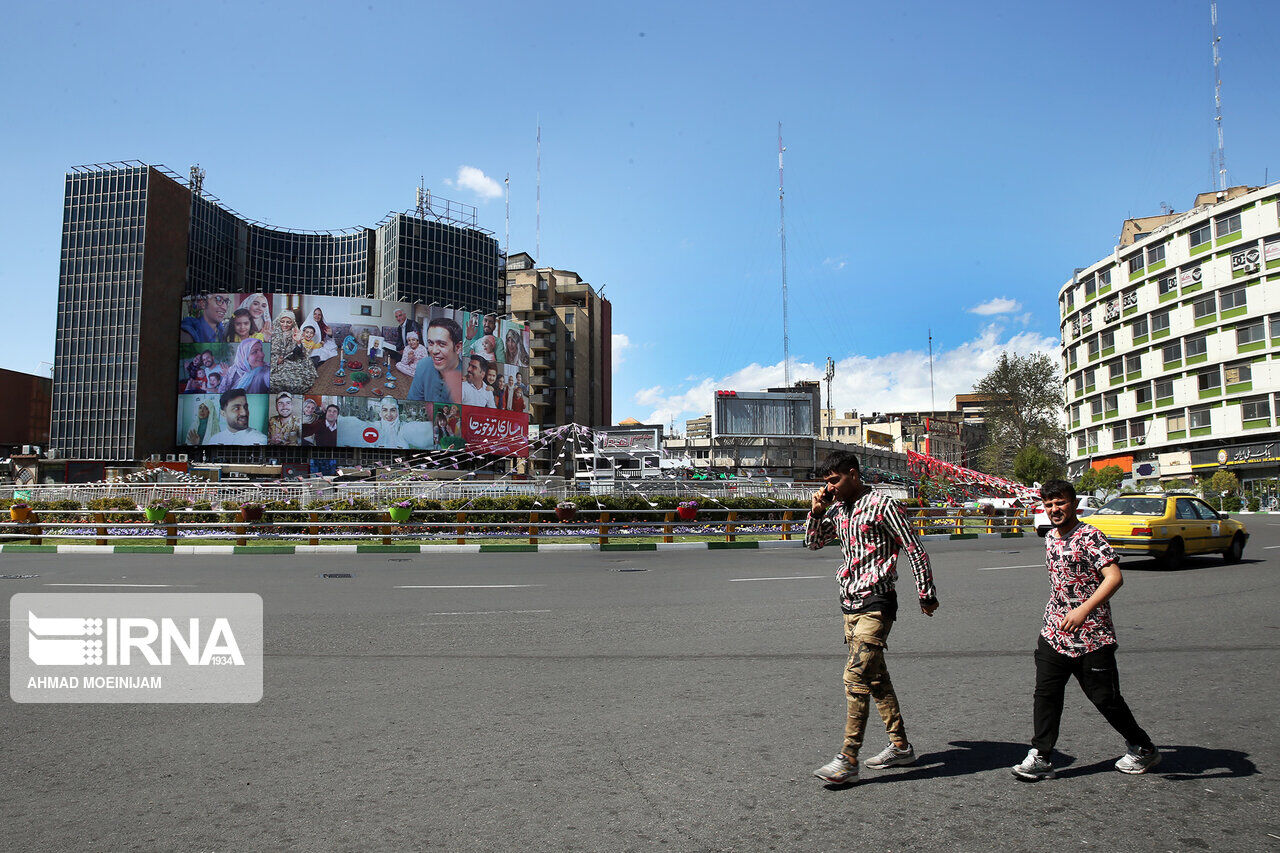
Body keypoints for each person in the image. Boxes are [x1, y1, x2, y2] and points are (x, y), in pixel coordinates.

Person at [1010, 480, 1160, 781]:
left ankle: (1143, 747)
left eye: (1060, 502)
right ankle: (1041, 755)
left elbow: (1114, 577)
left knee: (1106, 699)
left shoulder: (1090, 536)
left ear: (1074, 504)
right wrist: (1062, 615)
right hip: (1055, 631)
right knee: (1046, 694)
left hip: (1092, 635)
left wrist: (1083, 610)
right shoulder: (1050, 537)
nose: (1055, 509)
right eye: (1049, 504)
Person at [806, 450, 939, 785]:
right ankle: (901, 746)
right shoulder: (836, 508)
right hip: (848, 604)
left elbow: (913, 547)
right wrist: (815, 512)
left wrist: (926, 593)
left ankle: (848, 758)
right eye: (827, 482)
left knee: (855, 678)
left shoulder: (882, 505)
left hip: (877, 603)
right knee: (876, 679)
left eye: (835, 480)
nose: (831, 487)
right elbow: (813, 544)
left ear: (853, 474)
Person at [407, 317, 464, 405]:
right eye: (430, 343)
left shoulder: (467, 379)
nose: (434, 351)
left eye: (442, 344)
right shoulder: (423, 365)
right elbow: (413, 404)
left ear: (458, 347)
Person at [193, 389, 266, 445]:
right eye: (236, 408)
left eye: (245, 407)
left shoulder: (260, 439)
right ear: (223, 413)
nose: (244, 413)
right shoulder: (215, 439)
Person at [269, 311, 317, 394]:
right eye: (282, 321)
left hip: (292, 361)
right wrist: (276, 360)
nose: (285, 324)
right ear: (278, 321)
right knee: (271, 382)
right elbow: (265, 352)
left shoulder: (295, 333)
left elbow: (300, 354)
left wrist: (298, 342)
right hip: (274, 363)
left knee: (296, 382)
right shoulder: (272, 333)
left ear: (293, 323)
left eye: (288, 322)